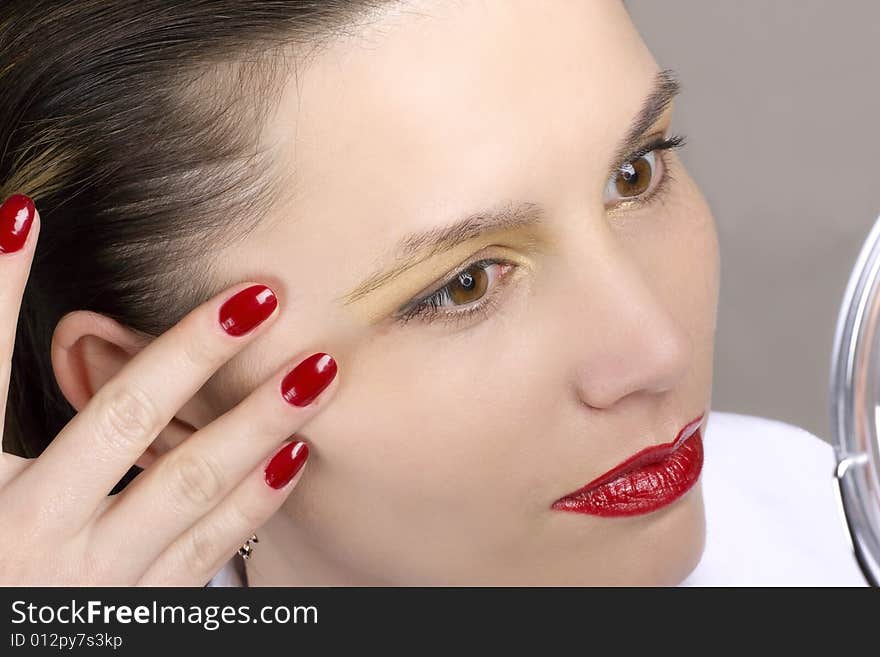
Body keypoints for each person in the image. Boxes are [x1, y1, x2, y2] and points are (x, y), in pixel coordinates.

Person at [0, 0, 866, 586]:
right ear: (163, 403)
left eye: (634, 174)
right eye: (465, 284)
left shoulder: (818, 522)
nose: (657, 352)